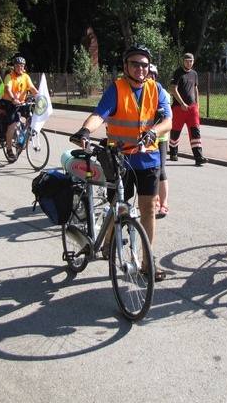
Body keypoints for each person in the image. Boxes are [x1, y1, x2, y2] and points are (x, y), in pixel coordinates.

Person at [71, 45, 172, 281]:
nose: (140, 68)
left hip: (148, 159)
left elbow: (168, 120)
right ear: (126, 66)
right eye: (135, 63)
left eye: (144, 64)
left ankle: (147, 263)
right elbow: (100, 114)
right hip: (119, 159)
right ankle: (107, 242)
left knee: (148, 209)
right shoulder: (116, 88)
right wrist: (85, 131)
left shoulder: (156, 89)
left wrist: (153, 132)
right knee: (118, 207)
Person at [169, 52, 207, 166]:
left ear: (193, 62)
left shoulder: (194, 74)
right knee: (176, 131)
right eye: (187, 61)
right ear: (183, 61)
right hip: (179, 108)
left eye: (191, 61)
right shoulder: (178, 73)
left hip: (192, 109)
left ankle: (198, 157)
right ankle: (173, 152)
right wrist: (181, 103)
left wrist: (197, 105)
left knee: (195, 131)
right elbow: (174, 89)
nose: (189, 63)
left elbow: (196, 89)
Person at [1, 56, 38, 158]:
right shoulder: (10, 76)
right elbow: (8, 89)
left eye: (21, 66)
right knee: (12, 125)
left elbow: (32, 88)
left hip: (22, 103)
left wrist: (40, 96)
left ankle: (22, 138)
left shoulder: (26, 77)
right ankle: (9, 149)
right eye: (17, 66)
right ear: (14, 67)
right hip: (11, 103)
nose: (20, 68)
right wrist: (13, 99)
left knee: (30, 119)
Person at [148, 64, 170, 218]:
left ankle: (164, 203)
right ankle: (153, 198)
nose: (149, 77)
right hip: (143, 138)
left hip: (160, 138)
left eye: (151, 75)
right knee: (147, 171)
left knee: (160, 170)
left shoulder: (163, 93)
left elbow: (167, 119)